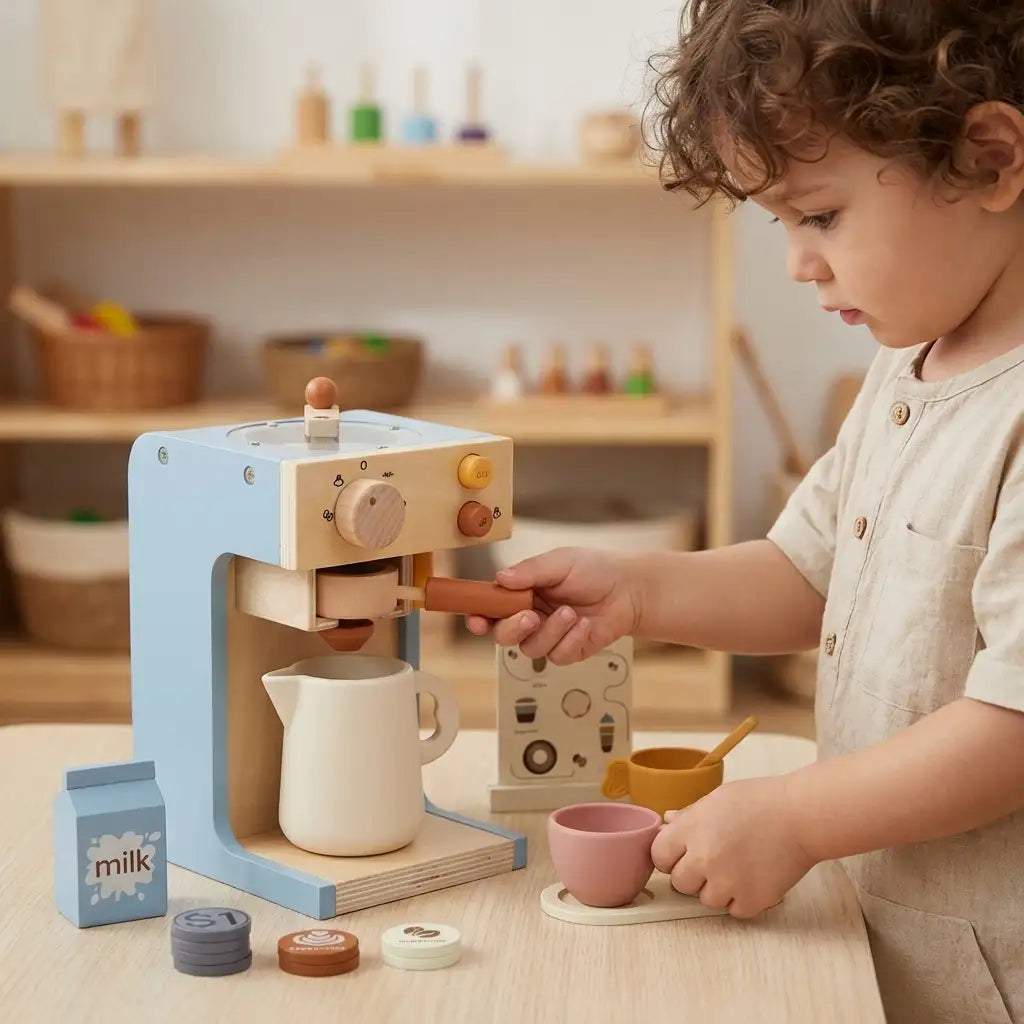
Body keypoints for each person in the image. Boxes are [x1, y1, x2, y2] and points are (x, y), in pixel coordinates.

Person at [466, 3, 1024, 1021]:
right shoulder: (908, 363)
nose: (797, 264)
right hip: (884, 941)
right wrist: (637, 589)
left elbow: (1013, 722)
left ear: (987, 159)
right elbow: (806, 574)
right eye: (779, 224)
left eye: (817, 216)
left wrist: (796, 816)